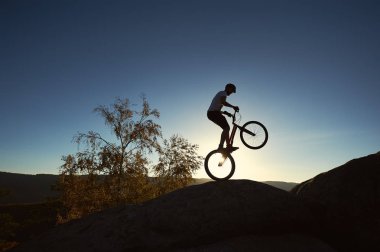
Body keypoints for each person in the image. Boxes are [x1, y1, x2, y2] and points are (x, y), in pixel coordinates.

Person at [207, 83, 240, 152]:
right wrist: (233, 107)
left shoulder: (222, 94)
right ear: (228, 88)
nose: (231, 93)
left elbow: (218, 109)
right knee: (227, 128)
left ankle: (228, 146)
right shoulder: (223, 93)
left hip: (213, 113)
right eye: (232, 91)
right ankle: (220, 147)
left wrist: (226, 113)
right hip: (212, 113)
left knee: (226, 128)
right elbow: (224, 102)